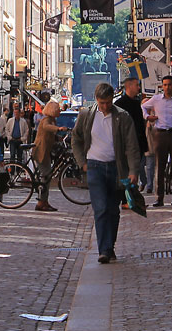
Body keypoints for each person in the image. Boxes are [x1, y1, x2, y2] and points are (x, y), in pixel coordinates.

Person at [71, 83, 142, 264]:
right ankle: (103, 249)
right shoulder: (86, 115)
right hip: (94, 167)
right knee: (101, 207)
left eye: (108, 102)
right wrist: (83, 163)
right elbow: (76, 139)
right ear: (96, 100)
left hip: (116, 168)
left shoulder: (123, 117)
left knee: (113, 210)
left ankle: (110, 246)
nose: (105, 107)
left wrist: (133, 171)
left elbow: (132, 146)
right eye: (102, 103)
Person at [142, 75, 172, 206]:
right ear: (162, 86)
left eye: (169, 85)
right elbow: (143, 107)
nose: (167, 87)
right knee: (159, 166)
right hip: (160, 134)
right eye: (165, 85)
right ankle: (159, 198)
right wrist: (148, 117)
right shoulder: (156, 99)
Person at [115, 77, 149, 194]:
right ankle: (127, 197)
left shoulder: (136, 103)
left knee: (135, 171)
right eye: (136, 85)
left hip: (137, 143)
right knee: (127, 171)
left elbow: (140, 125)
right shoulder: (120, 104)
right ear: (129, 86)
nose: (139, 88)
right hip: (125, 143)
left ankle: (132, 197)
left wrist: (144, 144)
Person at [31, 100, 62, 211]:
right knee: (46, 175)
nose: (60, 111)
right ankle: (41, 202)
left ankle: (44, 201)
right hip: (41, 151)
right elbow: (47, 127)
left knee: (47, 176)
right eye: (58, 109)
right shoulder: (46, 120)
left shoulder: (53, 120)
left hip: (46, 152)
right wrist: (58, 129)